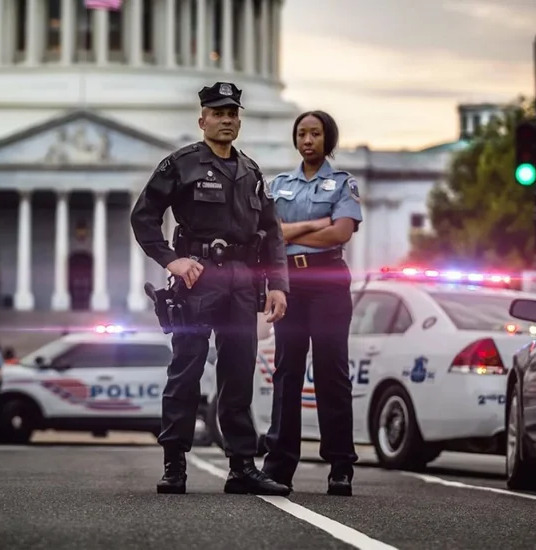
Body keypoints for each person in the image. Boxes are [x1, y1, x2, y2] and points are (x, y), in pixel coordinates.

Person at [130, 81, 291, 496]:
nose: (226, 120)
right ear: (202, 121)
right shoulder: (181, 165)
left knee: (238, 375)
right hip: (197, 280)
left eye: (232, 114)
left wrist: (277, 285)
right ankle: (174, 464)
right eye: (218, 114)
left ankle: (242, 467)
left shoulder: (251, 172)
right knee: (186, 371)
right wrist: (171, 259)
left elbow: (272, 233)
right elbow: (143, 216)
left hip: (243, 282)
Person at [260, 110, 363, 497]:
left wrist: (291, 233)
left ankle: (340, 466)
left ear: (327, 139)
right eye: (302, 133)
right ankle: (279, 466)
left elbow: (340, 233)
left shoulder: (343, 183)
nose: (307, 140)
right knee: (286, 371)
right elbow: (269, 235)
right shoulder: (279, 184)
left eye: (315, 134)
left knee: (331, 371)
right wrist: (315, 224)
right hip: (288, 282)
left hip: (328, 280)